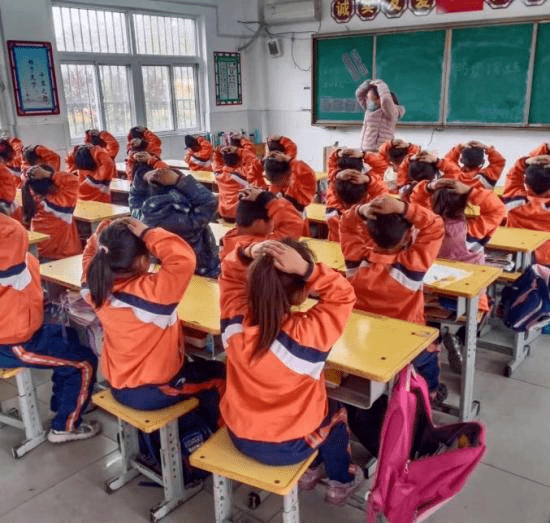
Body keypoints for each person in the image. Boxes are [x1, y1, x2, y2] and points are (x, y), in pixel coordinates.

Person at [219, 237, 363, 505]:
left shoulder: (233, 321)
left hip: (239, 434)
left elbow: (228, 273)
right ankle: (340, 481)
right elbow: (344, 294)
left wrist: (249, 251)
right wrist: (308, 269)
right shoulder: (309, 334)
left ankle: (311, 469)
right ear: (301, 293)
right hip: (288, 447)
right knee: (336, 417)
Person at [82, 217, 225, 429]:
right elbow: (184, 259)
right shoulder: (153, 297)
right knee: (222, 375)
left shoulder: (93, 287)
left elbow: (88, 259)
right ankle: (212, 442)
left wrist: (98, 238)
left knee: (196, 364)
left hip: (119, 382)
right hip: (155, 390)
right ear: (141, 262)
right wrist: (148, 232)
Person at [0, 213, 100, 443]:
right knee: (84, 362)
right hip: (13, 343)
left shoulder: (15, 256)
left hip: (19, 332)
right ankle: (65, 427)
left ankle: (66, 402)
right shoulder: (9, 239)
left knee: (71, 338)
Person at [339, 195, 445, 398]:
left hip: (362, 340)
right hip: (404, 345)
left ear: (369, 234)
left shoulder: (355, 262)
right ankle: (431, 391)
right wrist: (406, 209)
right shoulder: (412, 265)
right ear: (407, 237)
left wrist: (361, 210)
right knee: (431, 351)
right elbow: (435, 225)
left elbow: (346, 224)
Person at [411, 178, 506, 372]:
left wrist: (428, 186)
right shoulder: (472, 230)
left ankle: (433, 341)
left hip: (430, 293)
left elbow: (415, 202)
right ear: (465, 203)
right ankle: (461, 338)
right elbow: (497, 209)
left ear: (433, 201)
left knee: (431, 309)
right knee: (487, 304)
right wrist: (471, 191)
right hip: (465, 293)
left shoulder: (425, 227)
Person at [129, 165, 220, 278]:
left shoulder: (142, 216)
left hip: (164, 273)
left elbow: (135, 196)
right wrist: (179, 180)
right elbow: (209, 201)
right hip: (197, 272)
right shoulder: (190, 221)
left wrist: (143, 176)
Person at [219, 187, 304, 260]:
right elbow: (295, 225)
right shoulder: (261, 247)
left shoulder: (230, 237)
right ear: (259, 223)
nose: (274, 224)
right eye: (271, 220)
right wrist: (270, 202)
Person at [20, 165, 82, 260]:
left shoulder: (32, 199)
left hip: (42, 253)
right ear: (53, 183)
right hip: (63, 256)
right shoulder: (59, 203)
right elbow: (73, 181)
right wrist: (49, 174)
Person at [325, 148, 387, 241]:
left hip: (335, 249)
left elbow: (332, 181)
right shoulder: (370, 217)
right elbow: (382, 166)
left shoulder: (333, 208)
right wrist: (363, 155)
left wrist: (336, 174)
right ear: (365, 194)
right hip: (363, 251)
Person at [503, 155, 550, 265]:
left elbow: (512, 178)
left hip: (516, 255)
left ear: (525, 181)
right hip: (545, 259)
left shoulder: (514, 200)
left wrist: (524, 161)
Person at [264, 136, 317, 213]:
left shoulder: (266, 195)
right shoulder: (297, 195)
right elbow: (308, 175)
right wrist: (282, 140)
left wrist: (268, 145)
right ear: (289, 175)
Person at [212, 145, 266, 221]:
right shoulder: (242, 175)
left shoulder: (218, 174)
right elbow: (252, 161)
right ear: (239, 161)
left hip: (224, 213)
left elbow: (216, 163)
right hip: (239, 214)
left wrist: (217, 152)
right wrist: (239, 150)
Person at [355, 79, 405, 152]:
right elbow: (359, 95)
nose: (368, 101)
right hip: (366, 149)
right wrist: (366, 84)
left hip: (379, 150)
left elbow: (385, 99)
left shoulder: (390, 112)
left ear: (379, 99)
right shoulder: (370, 109)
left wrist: (381, 85)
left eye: (370, 98)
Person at [397, 151, 461, 201]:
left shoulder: (404, 191)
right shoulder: (441, 190)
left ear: (410, 174)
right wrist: (437, 161)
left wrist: (410, 158)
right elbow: (456, 172)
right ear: (434, 173)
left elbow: (401, 170)